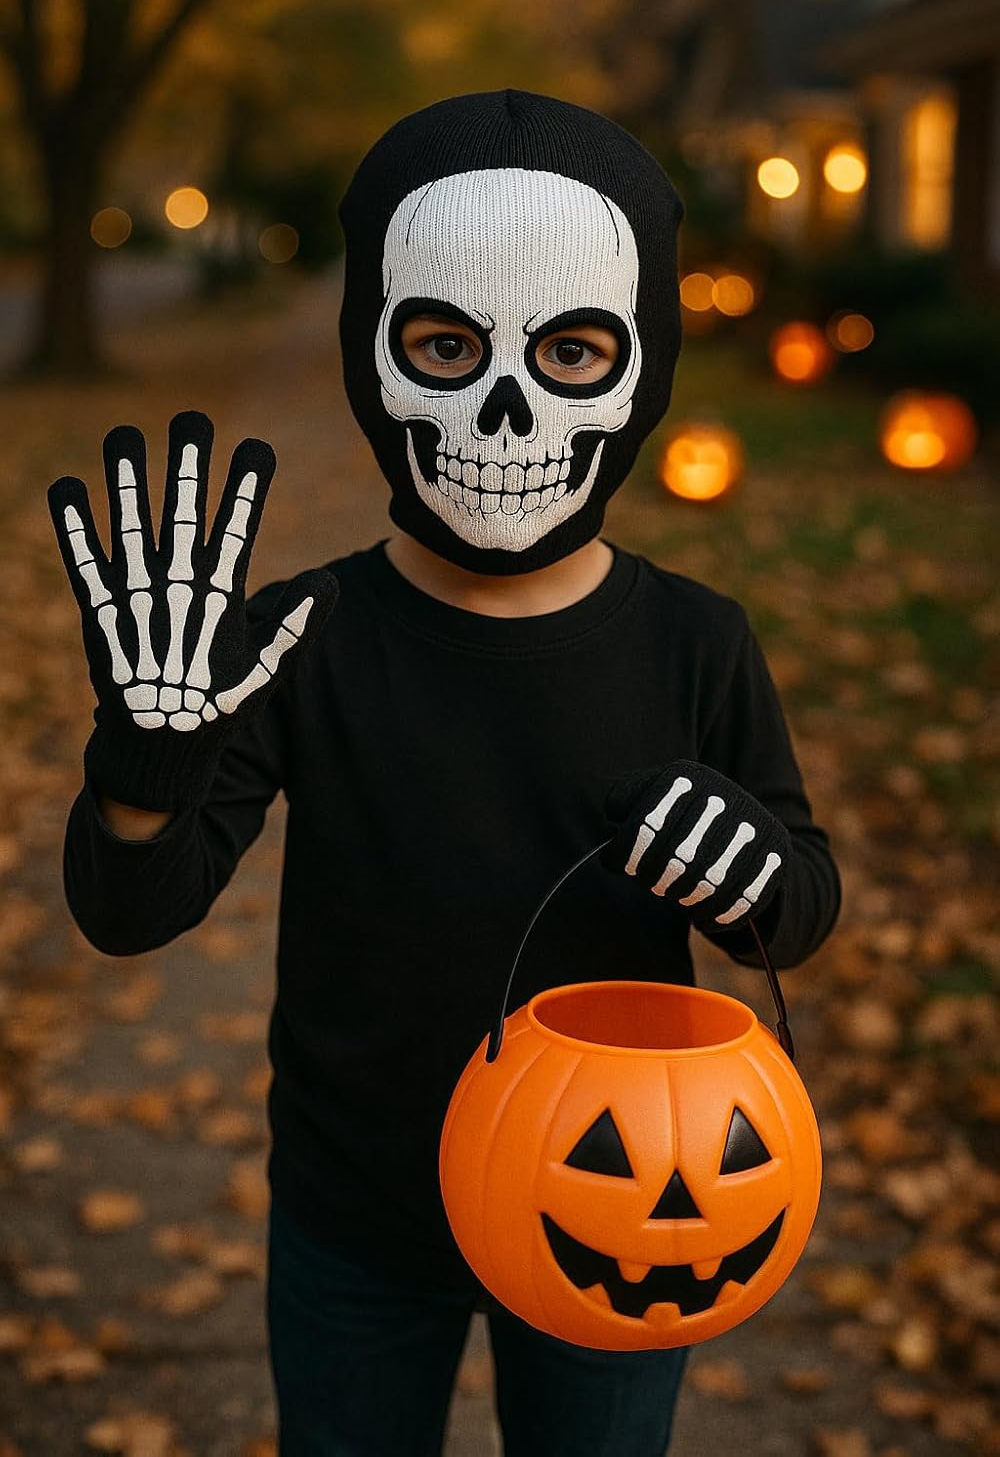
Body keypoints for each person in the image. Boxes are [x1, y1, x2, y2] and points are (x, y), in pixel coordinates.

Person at [49, 90, 841, 1456]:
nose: (504, 409)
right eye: (444, 346)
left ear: (642, 362)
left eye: (573, 350)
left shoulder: (696, 640)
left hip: (628, 1208)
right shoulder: (298, 637)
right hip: (360, 1206)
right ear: (374, 350)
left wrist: (749, 871)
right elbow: (133, 911)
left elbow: (801, 902)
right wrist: (142, 775)